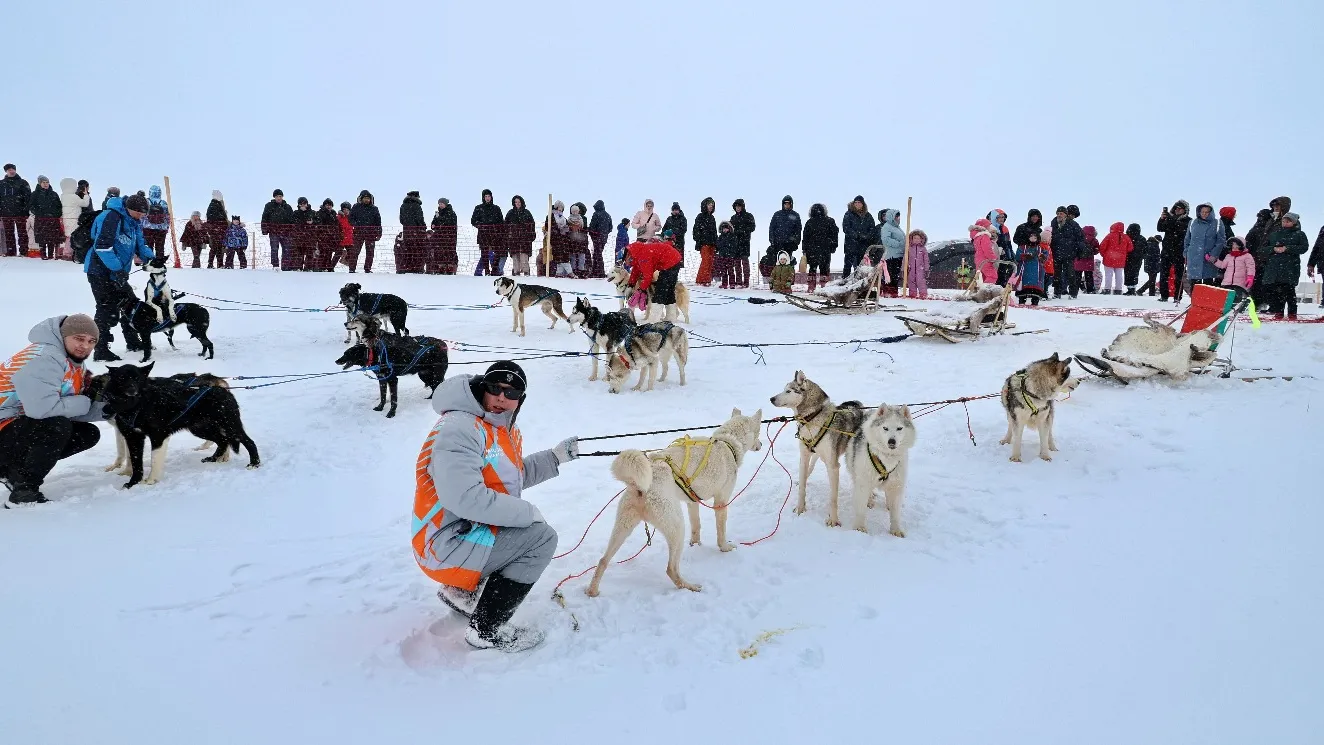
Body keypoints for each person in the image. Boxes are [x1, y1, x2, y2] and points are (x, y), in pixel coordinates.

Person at [415, 361, 580, 652]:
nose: (503, 398)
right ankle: (487, 629)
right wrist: (528, 513)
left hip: (461, 532)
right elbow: (465, 498)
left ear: (521, 399)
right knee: (540, 538)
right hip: (443, 544)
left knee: (516, 525)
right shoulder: (460, 427)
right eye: (496, 389)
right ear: (482, 389)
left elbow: (507, 479)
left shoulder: (499, 429)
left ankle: (462, 592)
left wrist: (554, 458)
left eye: (512, 392)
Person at [0, 315, 109, 507]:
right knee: (56, 427)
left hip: (13, 425)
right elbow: (43, 410)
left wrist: (108, 409)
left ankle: (10, 470)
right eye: (79, 338)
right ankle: (25, 492)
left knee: (87, 433)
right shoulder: (46, 358)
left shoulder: (71, 362)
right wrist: (85, 402)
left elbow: (66, 405)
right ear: (63, 335)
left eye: (91, 341)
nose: (85, 346)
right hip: (6, 424)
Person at [84, 193, 155, 361]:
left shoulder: (133, 222)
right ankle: (101, 350)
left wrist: (152, 259)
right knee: (107, 309)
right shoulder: (111, 217)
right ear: (131, 209)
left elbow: (140, 244)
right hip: (99, 272)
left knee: (131, 305)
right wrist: (116, 269)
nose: (143, 216)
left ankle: (132, 341)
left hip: (117, 274)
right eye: (140, 213)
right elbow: (102, 247)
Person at [1261, 212, 1308, 319]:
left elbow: (1304, 248)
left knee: (1289, 291)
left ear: (1294, 222)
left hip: (1290, 267)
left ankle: (1292, 313)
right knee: (1276, 291)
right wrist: (1273, 249)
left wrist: (1287, 248)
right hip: (1274, 267)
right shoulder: (1274, 234)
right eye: (1283, 221)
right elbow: (1263, 249)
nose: (1285, 223)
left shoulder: (1299, 234)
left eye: (1288, 221)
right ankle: (1278, 311)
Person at [626, 237, 684, 320]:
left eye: (627, 260)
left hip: (670, 262)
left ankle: (654, 320)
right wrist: (631, 284)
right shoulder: (638, 254)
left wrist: (641, 289)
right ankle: (671, 317)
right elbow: (636, 271)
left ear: (629, 255)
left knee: (660, 291)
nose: (627, 263)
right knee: (668, 291)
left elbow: (648, 276)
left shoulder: (643, 256)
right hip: (674, 259)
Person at [1182, 202, 1222, 296]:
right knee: (1195, 283)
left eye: (1207, 212)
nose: (1204, 214)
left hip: (1208, 259)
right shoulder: (1192, 223)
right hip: (1194, 257)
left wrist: (1214, 255)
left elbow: (1220, 241)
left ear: (1211, 212)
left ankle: (1207, 304)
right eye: (1202, 211)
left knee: (1208, 283)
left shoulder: (1218, 224)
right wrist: (1186, 253)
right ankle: (1195, 303)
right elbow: (1187, 239)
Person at [1156, 200, 1192, 302]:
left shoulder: (1188, 220)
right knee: (1163, 274)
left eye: (1180, 208)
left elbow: (1181, 229)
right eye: (1176, 208)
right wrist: (1162, 219)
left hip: (1179, 251)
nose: (1177, 210)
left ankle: (1177, 297)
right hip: (1167, 250)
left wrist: (1171, 219)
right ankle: (1164, 296)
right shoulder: (1169, 218)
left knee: (1179, 276)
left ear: (1185, 210)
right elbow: (1160, 228)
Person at [801, 203, 838, 293]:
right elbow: (835, 235)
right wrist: (833, 246)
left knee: (812, 269)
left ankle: (811, 287)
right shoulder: (830, 221)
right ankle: (824, 287)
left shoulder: (810, 222)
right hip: (825, 249)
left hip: (812, 250)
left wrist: (804, 250)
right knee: (824, 268)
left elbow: (805, 237)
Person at [1050, 206, 1085, 298]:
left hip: (1069, 253)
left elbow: (1080, 239)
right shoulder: (1053, 224)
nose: (1059, 215)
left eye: (1061, 213)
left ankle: (1073, 293)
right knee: (1056, 274)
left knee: (1070, 274)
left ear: (1066, 214)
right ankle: (1057, 293)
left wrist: (1078, 251)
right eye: (1057, 213)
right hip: (1056, 253)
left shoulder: (1073, 225)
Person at [471, 189, 506, 276]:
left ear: (491, 197)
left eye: (489, 196)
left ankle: (494, 269)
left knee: (497, 252)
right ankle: (486, 270)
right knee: (484, 253)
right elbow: (473, 221)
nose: (487, 198)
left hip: (495, 235)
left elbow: (501, 222)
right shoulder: (478, 208)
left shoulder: (496, 208)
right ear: (483, 198)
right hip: (483, 234)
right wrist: (482, 226)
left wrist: (496, 229)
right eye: (485, 196)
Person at [30, 176, 65, 260]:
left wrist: (56, 214)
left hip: (52, 220)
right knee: (41, 238)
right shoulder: (35, 194)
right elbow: (31, 206)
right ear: (39, 183)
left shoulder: (54, 194)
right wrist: (39, 213)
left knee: (52, 238)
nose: (46, 184)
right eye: (43, 182)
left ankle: (50, 254)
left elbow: (59, 206)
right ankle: (43, 254)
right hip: (41, 219)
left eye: (47, 182)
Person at [0, 163, 32, 256]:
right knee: (8, 234)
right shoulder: (1, 184)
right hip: (5, 213)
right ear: (6, 171)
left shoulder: (23, 182)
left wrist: (26, 211)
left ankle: (24, 252)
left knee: (22, 233)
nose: (11, 171)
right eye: (9, 169)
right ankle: (11, 252)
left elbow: (28, 198)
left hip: (20, 213)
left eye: (13, 169)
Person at [348, 190, 382, 273]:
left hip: (371, 234)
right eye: (365, 198)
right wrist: (356, 224)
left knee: (370, 253)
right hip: (358, 233)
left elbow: (378, 222)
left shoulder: (374, 209)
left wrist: (379, 232)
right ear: (361, 199)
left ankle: (367, 269)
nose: (367, 200)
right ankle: (352, 269)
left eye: (368, 198)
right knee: (355, 252)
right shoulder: (356, 207)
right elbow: (350, 218)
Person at [261, 189, 295, 269]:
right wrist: (264, 229)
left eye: (280, 196)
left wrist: (292, 230)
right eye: (277, 196)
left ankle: (285, 266)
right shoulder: (269, 206)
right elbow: (264, 217)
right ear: (274, 197)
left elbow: (292, 220)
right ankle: (275, 265)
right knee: (274, 249)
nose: (279, 198)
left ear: (282, 197)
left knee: (287, 249)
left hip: (286, 232)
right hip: (274, 231)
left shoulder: (287, 207)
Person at [841, 196, 874, 279]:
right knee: (847, 267)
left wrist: (866, 236)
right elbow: (846, 228)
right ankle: (844, 283)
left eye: (859, 202)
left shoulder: (868, 216)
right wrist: (856, 235)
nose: (857, 204)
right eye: (856, 202)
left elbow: (872, 229)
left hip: (863, 246)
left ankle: (858, 284)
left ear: (863, 204)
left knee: (860, 268)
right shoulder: (848, 214)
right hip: (850, 245)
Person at [1213, 237, 1255, 302]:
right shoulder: (1228, 256)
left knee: (1236, 299)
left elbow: (1250, 267)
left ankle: (1236, 310)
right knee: (1225, 300)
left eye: (1237, 247)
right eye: (1233, 247)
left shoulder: (1247, 256)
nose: (1234, 249)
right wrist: (1214, 260)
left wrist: (1250, 277)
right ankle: (1225, 310)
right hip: (1227, 282)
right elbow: (1222, 265)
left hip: (1239, 283)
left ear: (1242, 247)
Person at [1015, 227, 1048, 306]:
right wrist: (1025, 256)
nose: (1033, 239)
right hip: (1025, 271)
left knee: (1036, 289)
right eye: (1031, 237)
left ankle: (1035, 301)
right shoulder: (1023, 247)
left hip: (1036, 271)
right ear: (1028, 238)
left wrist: (1042, 257)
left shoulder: (1040, 248)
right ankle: (1022, 300)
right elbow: (1017, 257)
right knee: (1023, 288)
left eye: (1035, 237)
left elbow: (1045, 257)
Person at [60, 179, 91, 260]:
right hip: (74, 218)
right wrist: (86, 195)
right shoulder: (74, 197)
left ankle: (65, 253)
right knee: (73, 236)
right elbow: (85, 204)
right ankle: (68, 254)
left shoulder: (63, 196)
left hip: (66, 218)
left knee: (68, 236)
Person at [1098, 222, 1133, 295]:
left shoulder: (1109, 236)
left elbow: (1102, 247)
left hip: (1109, 258)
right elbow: (1130, 248)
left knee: (1108, 275)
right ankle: (1118, 290)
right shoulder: (1126, 237)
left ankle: (1107, 289)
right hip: (1121, 259)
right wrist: (1122, 252)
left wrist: (1104, 255)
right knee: (1119, 275)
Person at [767, 195, 802, 269]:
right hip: (778, 243)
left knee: (788, 263)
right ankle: (778, 279)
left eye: (788, 204)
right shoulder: (777, 215)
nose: (787, 205)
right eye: (785, 204)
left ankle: (788, 279)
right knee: (778, 263)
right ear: (783, 204)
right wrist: (772, 241)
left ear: (791, 204)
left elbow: (798, 230)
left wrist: (795, 242)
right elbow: (771, 228)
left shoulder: (795, 215)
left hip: (789, 244)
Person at [503, 196, 535, 276]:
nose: (517, 204)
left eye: (519, 202)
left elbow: (532, 225)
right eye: (516, 202)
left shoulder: (527, 213)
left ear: (522, 202)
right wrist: (508, 235)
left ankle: (526, 273)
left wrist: (531, 235)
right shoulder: (510, 213)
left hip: (525, 238)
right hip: (513, 238)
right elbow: (505, 226)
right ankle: (516, 272)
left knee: (524, 256)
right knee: (515, 256)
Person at [878, 208, 906, 296]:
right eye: (896, 216)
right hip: (891, 255)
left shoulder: (897, 228)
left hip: (898, 255)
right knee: (890, 274)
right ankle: (887, 292)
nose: (898, 218)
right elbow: (886, 240)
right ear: (891, 217)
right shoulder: (886, 227)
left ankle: (893, 292)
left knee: (895, 275)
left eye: (899, 216)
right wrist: (899, 244)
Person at [729, 198, 755, 288]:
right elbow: (730, 229)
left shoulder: (748, 216)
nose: (738, 208)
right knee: (737, 263)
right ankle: (739, 281)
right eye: (736, 206)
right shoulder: (733, 218)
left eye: (739, 206)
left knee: (745, 262)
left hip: (745, 242)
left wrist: (742, 231)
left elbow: (752, 227)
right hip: (735, 243)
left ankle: (746, 281)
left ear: (742, 207)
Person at [398, 191, 426, 274]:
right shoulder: (417, 206)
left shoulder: (403, 206)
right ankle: (416, 268)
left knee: (407, 249)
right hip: (416, 231)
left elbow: (401, 219)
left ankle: (407, 267)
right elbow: (419, 219)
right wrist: (422, 227)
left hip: (406, 230)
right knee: (416, 250)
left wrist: (407, 225)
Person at [691, 198, 718, 286]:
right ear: (705, 205)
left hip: (712, 243)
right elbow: (695, 230)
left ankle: (707, 280)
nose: (711, 206)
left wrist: (716, 243)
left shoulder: (712, 218)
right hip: (704, 243)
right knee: (705, 261)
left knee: (710, 262)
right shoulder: (700, 216)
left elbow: (714, 232)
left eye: (712, 204)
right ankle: (701, 280)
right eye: (709, 204)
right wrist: (699, 240)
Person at [430, 198, 459, 275]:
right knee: (440, 252)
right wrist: (433, 225)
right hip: (440, 237)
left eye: (441, 203)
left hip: (449, 237)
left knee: (449, 252)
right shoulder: (437, 214)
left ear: (445, 204)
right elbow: (434, 223)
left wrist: (439, 224)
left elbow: (449, 224)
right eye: (439, 204)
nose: (440, 205)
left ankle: (450, 269)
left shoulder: (451, 213)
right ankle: (441, 268)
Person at [140, 185, 171, 259]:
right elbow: (167, 217)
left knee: (148, 246)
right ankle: (159, 261)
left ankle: (148, 260)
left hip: (147, 228)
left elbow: (141, 216)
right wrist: (166, 227)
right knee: (160, 247)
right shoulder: (163, 203)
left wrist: (140, 227)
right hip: (161, 228)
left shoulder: (146, 201)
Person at [987, 209, 1014, 285]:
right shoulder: (988, 228)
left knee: (1003, 277)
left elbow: (1008, 244)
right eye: (999, 217)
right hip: (992, 257)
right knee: (993, 277)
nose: (1002, 219)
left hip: (1004, 256)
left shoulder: (1005, 229)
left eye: (1003, 217)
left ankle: (1001, 294)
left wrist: (1011, 256)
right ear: (994, 217)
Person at [289, 197, 316, 272]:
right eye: (301, 204)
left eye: (304, 203)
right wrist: (303, 221)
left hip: (310, 237)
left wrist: (312, 222)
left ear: (307, 204)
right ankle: (298, 268)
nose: (303, 205)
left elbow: (318, 221)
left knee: (310, 253)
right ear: (298, 205)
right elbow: (293, 222)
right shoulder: (295, 213)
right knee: (299, 254)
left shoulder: (313, 212)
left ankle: (308, 268)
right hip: (298, 238)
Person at [970, 218, 998, 285]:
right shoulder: (984, 236)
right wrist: (993, 258)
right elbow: (987, 249)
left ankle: (979, 290)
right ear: (984, 227)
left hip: (978, 260)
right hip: (985, 260)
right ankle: (986, 291)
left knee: (981, 278)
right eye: (988, 226)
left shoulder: (976, 237)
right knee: (992, 276)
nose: (989, 228)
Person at [588, 200, 612, 278]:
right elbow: (610, 228)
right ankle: (597, 272)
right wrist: (604, 234)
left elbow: (592, 227)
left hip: (597, 237)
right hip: (604, 237)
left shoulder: (596, 214)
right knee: (598, 254)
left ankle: (599, 272)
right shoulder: (608, 215)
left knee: (597, 254)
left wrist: (592, 234)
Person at [315, 199, 340, 272]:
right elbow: (319, 224)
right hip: (323, 236)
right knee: (323, 252)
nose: (328, 206)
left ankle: (327, 267)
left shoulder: (333, 213)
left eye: (330, 205)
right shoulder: (320, 213)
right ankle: (320, 267)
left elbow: (336, 224)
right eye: (327, 205)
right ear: (324, 205)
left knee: (329, 253)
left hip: (332, 237)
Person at [905, 229, 930, 299]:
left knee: (921, 282)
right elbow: (905, 259)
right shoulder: (909, 248)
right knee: (911, 282)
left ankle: (923, 294)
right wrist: (903, 269)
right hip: (911, 269)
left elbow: (926, 260)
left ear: (921, 239)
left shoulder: (923, 249)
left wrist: (926, 269)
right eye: (914, 238)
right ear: (911, 239)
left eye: (918, 238)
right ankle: (912, 295)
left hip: (920, 269)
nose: (916, 240)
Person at [1123, 223, 1147, 295]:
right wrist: (1142, 257)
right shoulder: (1142, 238)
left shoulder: (1127, 237)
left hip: (1128, 258)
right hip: (1138, 259)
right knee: (1135, 273)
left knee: (1127, 273)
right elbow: (1146, 250)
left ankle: (1130, 289)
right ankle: (1132, 288)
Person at [567, 206, 591, 277]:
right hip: (576, 239)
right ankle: (576, 270)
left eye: (576, 211)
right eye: (573, 211)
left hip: (576, 239)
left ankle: (578, 270)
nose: (574, 212)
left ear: (578, 211)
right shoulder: (579, 219)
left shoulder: (571, 219)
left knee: (578, 256)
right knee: (575, 256)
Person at [662, 202, 687, 266]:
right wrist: (664, 235)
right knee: (668, 261)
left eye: (676, 210)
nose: (675, 211)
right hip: (668, 242)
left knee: (678, 261)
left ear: (679, 210)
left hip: (679, 242)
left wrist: (672, 233)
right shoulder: (669, 219)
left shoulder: (683, 219)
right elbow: (664, 229)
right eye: (673, 210)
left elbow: (683, 230)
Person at [715, 220, 738, 289]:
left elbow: (734, 246)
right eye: (723, 228)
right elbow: (718, 245)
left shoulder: (732, 237)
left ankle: (732, 284)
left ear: (729, 229)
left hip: (730, 257)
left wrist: (732, 254)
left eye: (726, 228)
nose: (725, 230)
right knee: (723, 271)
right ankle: (724, 284)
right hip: (722, 256)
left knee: (731, 271)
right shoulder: (720, 237)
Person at [1077, 225, 1100, 294]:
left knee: (1077, 276)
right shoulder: (1094, 240)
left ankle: (1075, 289)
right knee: (1089, 276)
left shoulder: (1079, 238)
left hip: (1079, 260)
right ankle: (1090, 290)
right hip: (1089, 261)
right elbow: (1096, 250)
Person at [332, 201, 354, 272]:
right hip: (341, 239)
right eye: (344, 209)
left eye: (347, 210)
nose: (346, 211)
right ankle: (331, 268)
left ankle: (351, 269)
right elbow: (335, 227)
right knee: (337, 254)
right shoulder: (338, 217)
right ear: (342, 210)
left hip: (349, 239)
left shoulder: (352, 218)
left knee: (351, 254)